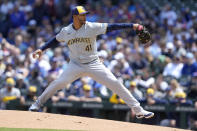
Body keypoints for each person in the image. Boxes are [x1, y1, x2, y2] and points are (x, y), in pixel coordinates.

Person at [29, 6, 154, 119]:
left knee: (116, 84)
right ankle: (37, 104)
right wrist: (42, 49)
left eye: (85, 14)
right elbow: (55, 40)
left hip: (94, 63)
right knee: (58, 83)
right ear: (74, 17)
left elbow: (112, 26)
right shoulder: (66, 31)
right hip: (75, 65)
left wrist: (133, 25)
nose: (84, 16)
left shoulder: (91, 27)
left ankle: (138, 110)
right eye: (82, 15)